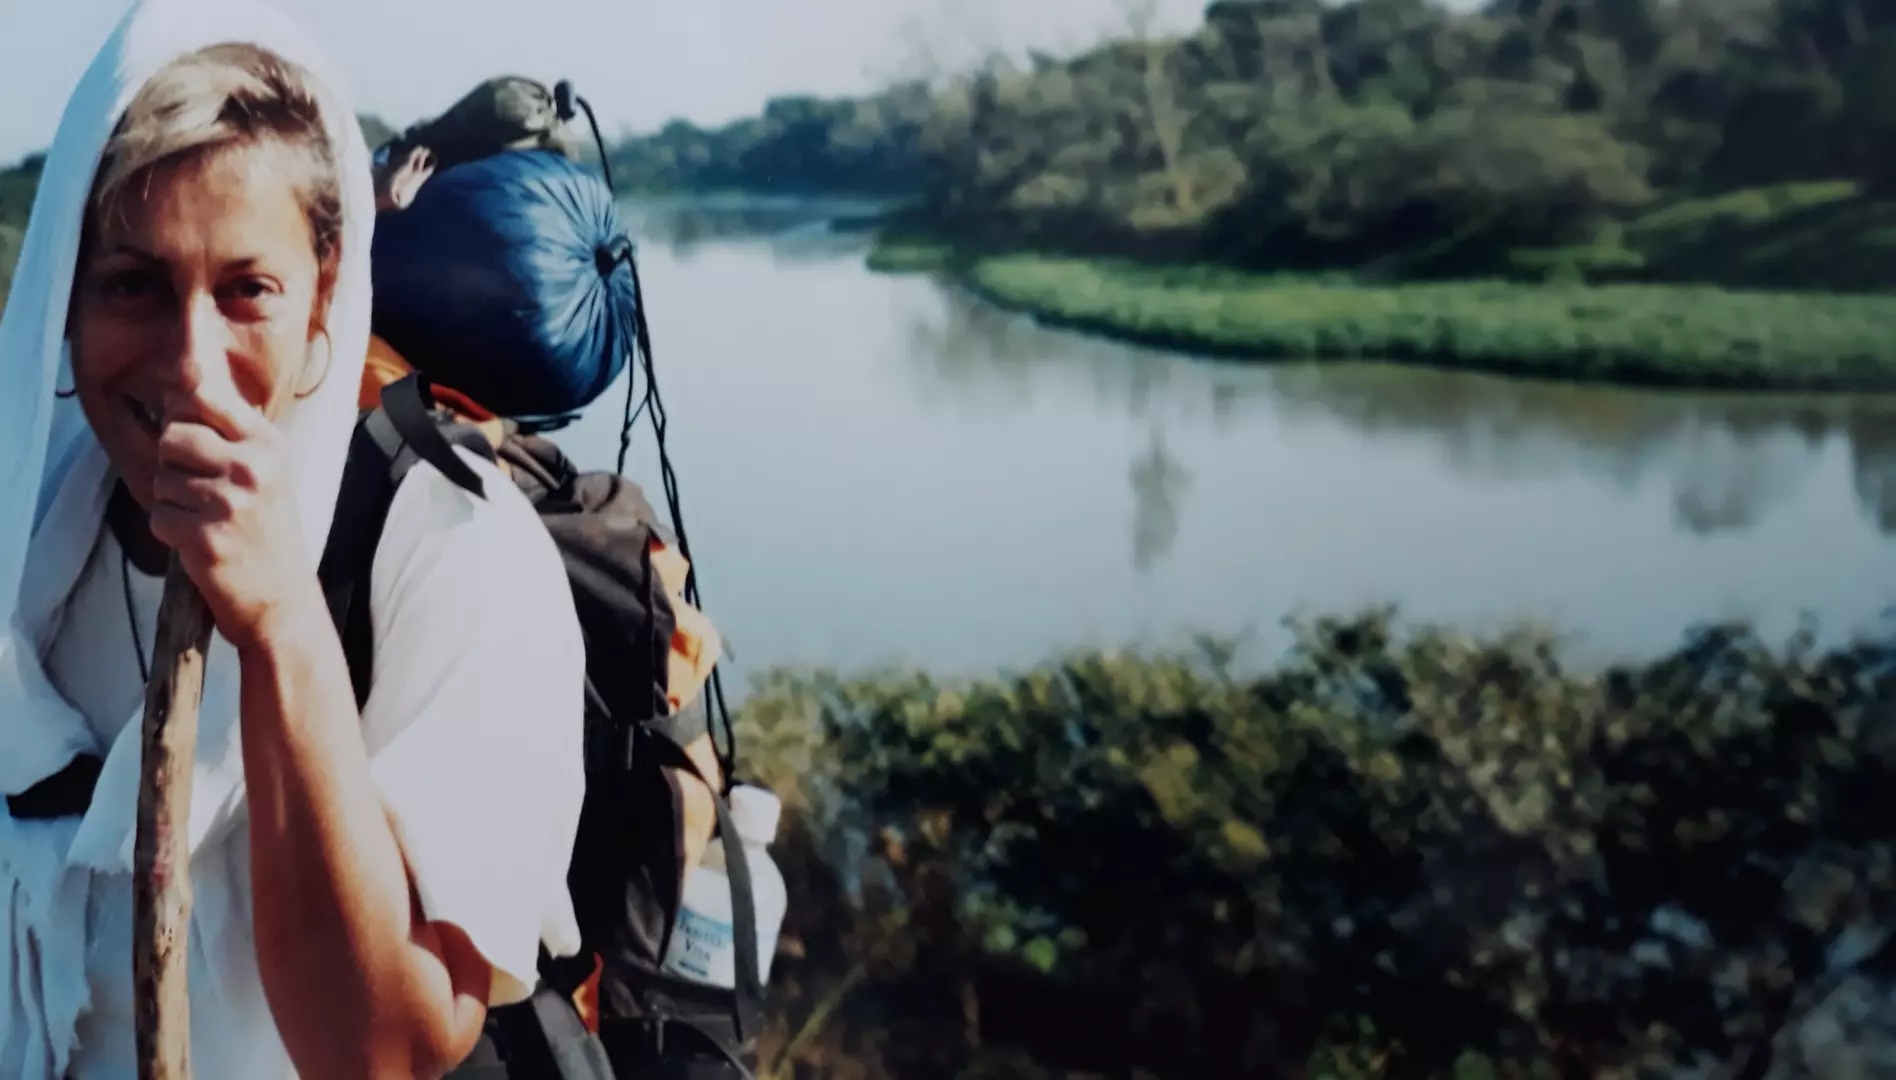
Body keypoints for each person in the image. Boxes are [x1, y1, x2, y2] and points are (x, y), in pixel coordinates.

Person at [0, 2, 587, 1078]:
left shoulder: (457, 553)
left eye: (246, 291)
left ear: (325, 289)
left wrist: (279, 625)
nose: (192, 363)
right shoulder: (25, 537)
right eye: (133, 284)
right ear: (65, 304)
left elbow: (384, 1050)